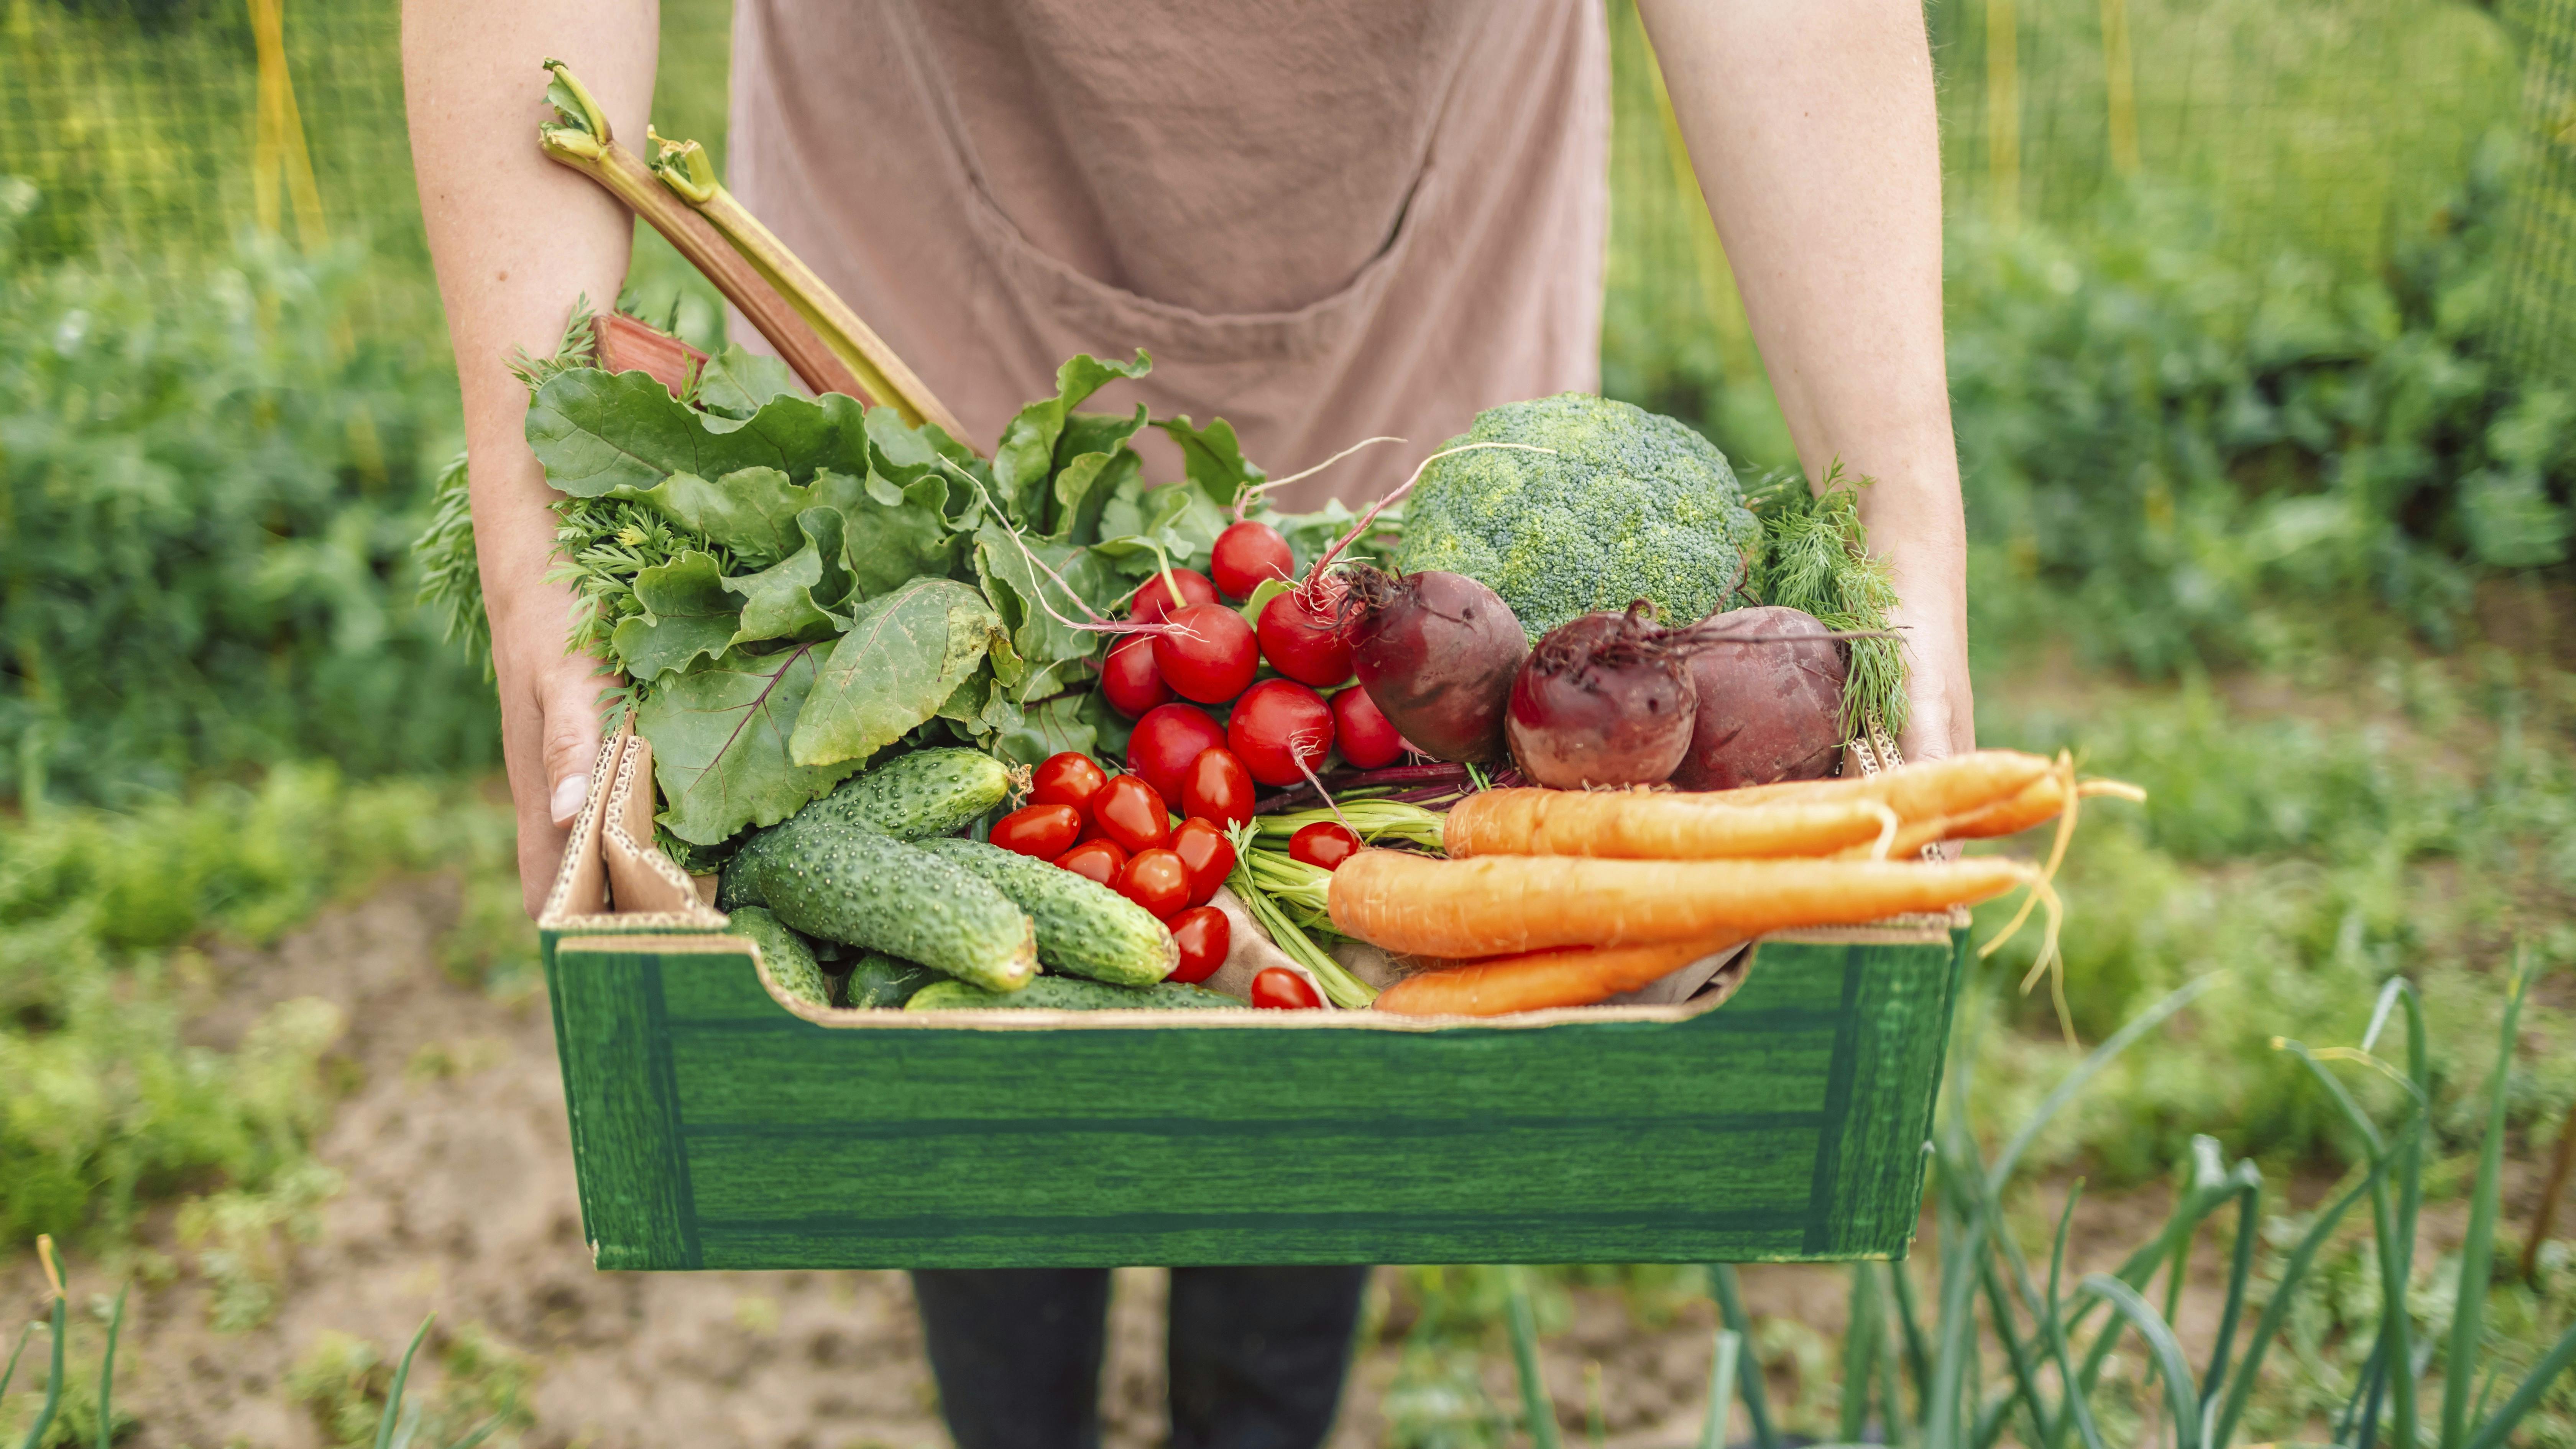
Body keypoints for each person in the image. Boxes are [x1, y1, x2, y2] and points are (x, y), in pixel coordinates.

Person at [405, 2, 1972, 1444]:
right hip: (924, 186)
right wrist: (523, 508)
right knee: (981, 1026)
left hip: (1412, 206)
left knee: (1356, 978)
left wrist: (1905, 499)